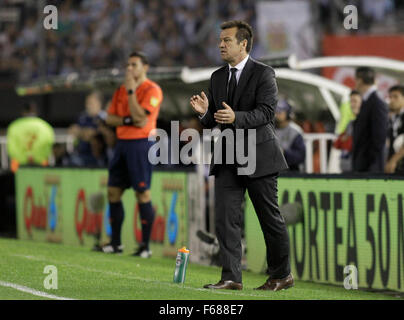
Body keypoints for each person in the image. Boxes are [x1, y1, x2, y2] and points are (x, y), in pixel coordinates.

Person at [190, 20, 292, 291]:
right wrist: (204, 114)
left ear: (243, 44)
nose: (221, 45)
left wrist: (237, 117)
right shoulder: (217, 77)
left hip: (259, 156)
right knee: (225, 219)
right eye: (220, 41)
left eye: (227, 41)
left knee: (269, 218)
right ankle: (231, 277)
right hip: (227, 156)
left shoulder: (264, 73)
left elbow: (267, 113)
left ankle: (282, 275)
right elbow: (215, 120)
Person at [99, 51, 163, 257]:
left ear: (145, 67)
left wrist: (131, 92)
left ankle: (145, 247)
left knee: (142, 193)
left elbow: (141, 119)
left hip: (141, 144)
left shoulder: (152, 90)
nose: (129, 69)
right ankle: (116, 244)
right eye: (127, 65)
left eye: (134, 65)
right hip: (122, 144)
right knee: (113, 192)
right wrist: (127, 120)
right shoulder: (120, 90)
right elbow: (110, 118)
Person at [352, 67, 388, 172]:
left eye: (356, 79)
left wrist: (368, 161)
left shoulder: (377, 103)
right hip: (363, 164)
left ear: (360, 80)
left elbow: (379, 138)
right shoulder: (367, 101)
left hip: (370, 167)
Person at [333, 90, 362, 172]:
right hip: (347, 167)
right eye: (351, 101)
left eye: (355, 101)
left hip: (359, 170)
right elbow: (339, 143)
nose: (353, 104)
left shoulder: (366, 123)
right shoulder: (350, 123)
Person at [275, 100, 306, 171]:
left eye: (281, 111)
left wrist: (284, 153)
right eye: (276, 111)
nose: (277, 114)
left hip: (291, 171)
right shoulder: (268, 129)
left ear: (288, 113)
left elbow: (300, 156)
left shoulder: (295, 131)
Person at [385, 85, 404, 174]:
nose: (391, 100)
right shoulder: (393, 118)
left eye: (396, 97)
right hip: (396, 168)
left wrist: (393, 160)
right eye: (390, 97)